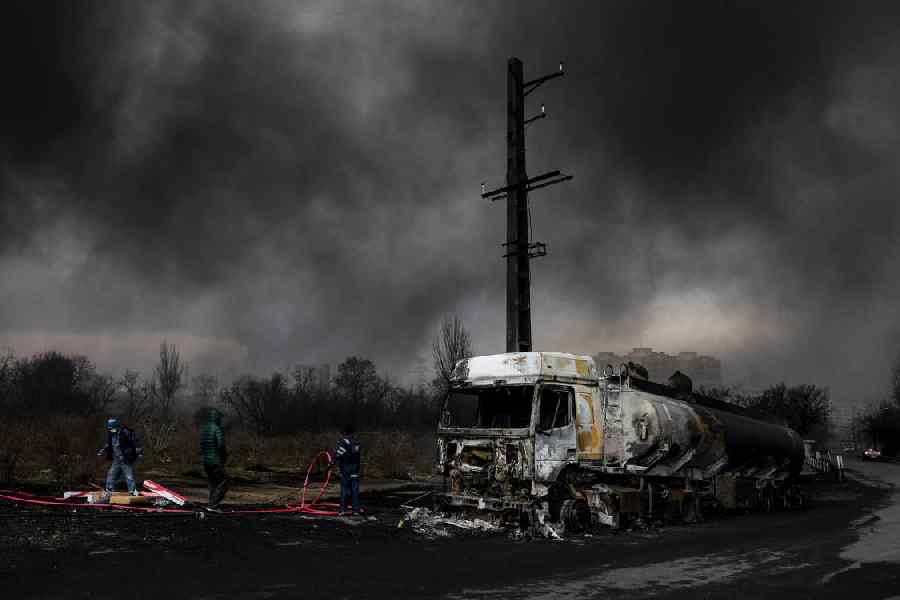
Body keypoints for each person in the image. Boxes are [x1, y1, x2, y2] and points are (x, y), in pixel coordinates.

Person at [97, 417, 143, 495]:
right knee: (111, 475)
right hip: (116, 459)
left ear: (117, 427)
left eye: (112, 428)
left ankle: (133, 492)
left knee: (129, 476)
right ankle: (110, 491)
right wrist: (103, 450)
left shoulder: (125, 432)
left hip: (125, 459)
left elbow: (135, 442)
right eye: (110, 429)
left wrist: (139, 452)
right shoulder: (111, 434)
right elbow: (109, 444)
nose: (111, 430)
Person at [200, 407, 229, 511]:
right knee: (224, 481)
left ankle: (211, 505)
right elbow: (221, 445)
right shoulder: (217, 429)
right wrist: (224, 457)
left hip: (206, 461)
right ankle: (213, 506)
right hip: (215, 461)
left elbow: (202, 446)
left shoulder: (204, 429)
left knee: (213, 483)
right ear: (216, 418)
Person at [331, 425, 362, 516]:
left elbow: (338, 454)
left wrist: (331, 463)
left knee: (345, 490)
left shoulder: (344, 442)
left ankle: (343, 510)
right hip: (355, 470)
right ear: (354, 433)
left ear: (345, 433)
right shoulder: (357, 443)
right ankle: (355, 510)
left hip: (346, 470)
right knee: (355, 491)